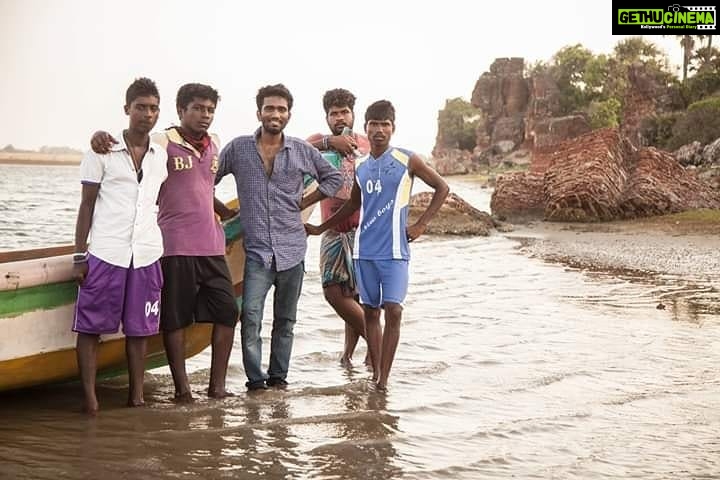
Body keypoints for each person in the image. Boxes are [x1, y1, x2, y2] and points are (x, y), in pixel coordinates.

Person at [89, 83, 239, 401]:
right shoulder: (162, 141)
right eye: (197, 108)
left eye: (210, 110)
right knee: (175, 318)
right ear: (181, 110)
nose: (205, 115)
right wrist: (101, 135)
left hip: (212, 245)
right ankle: (183, 391)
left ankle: (218, 387)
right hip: (174, 245)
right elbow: (131, 144)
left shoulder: (215, 143)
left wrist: (225, 212)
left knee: (228, 312)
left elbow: (205, 189)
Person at [305, 100, 449, 390]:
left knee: (393, 309)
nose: (380, 130)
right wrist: (320, 228)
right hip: (364, 250)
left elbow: (442, 188)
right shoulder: (361, 166)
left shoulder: (409, 160)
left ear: (393, 128)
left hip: (395, 251)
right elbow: (353, 205)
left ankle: (384, 378)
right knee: (370, 311)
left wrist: (421, 224)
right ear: (366, 128)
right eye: (375, 124)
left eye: (385, 124)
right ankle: (374, 374)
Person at [214, 84, 343, 391]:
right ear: (259, 112)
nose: (275, 114)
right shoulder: (238, 149)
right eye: (269, 108)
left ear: (288, 115)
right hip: (257, 253)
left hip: (292, 251)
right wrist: (223, 212)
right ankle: (256, 384)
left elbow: (334, 177)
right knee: (250, 320)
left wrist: (306, 202)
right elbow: (205, 180)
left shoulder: (300, 150)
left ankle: (279, 380)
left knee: (285, 322)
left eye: (281, 109)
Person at [73, 77, 168, 414]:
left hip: (145, 254)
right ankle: (91, 402)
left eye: (153, 108)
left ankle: (137, 397)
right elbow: (86, 206)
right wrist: (79, 255)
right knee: (90, 327)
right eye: (140, 107)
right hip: (105, 253)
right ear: (127, 109)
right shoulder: (101, 152)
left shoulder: (160, 155)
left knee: (140, 330)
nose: (147, 113)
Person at [305, 88, 371, 366]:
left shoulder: (367, 144)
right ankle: (375, 339)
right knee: (334, 292)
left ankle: (351, 355)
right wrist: (330, 142)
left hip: (365, 230)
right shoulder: (317, 143)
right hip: (332, 229)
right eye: (334, 113)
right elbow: (291, 148)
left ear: (354, 114)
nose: (340, 117)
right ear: (327, 117)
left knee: (357, 295)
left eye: (345, 112)